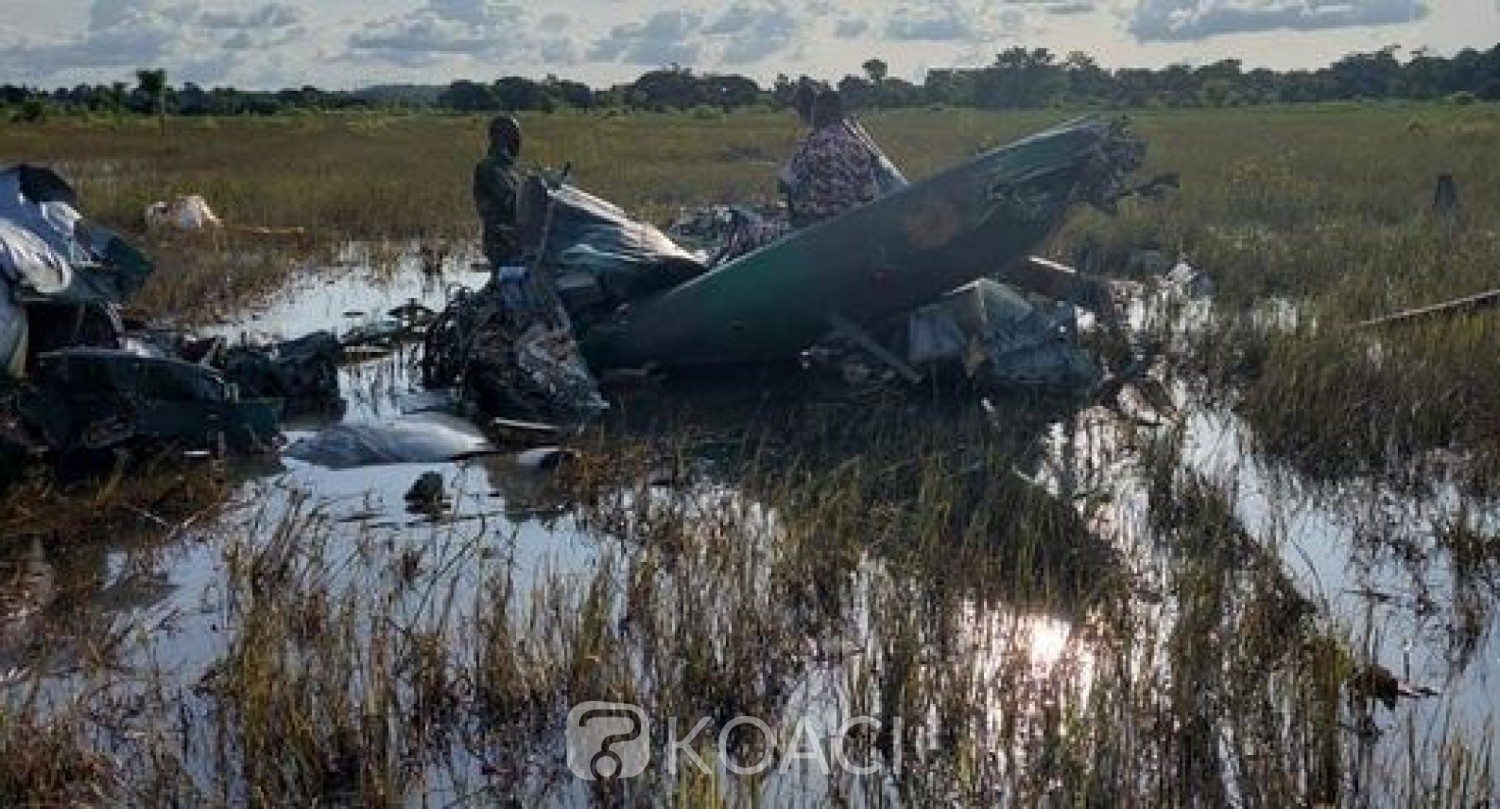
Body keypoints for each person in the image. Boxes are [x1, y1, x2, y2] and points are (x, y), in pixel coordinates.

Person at [782, 90, 879, 227]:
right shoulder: (858, 146)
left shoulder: (811, 144)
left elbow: (784, 184)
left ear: (818, 114)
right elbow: (868, 193)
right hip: (853, 224)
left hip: (816, 226)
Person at [473, 114, 524, 269]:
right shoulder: (490, 167)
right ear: (501, 137)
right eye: (515, 135)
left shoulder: (507, 167)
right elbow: (512, 200)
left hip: (516, 239)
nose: (518, 141)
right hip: (502, 241)